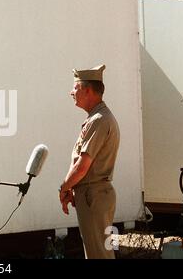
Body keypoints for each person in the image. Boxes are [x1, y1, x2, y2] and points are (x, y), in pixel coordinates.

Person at [59, 64, 120, 259]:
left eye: (75, 88)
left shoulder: (99, 120)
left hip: (93, 195)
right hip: (92, 194)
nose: (71, 92)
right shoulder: (97, 118)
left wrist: (64, 187)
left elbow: (82, 165)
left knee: (99, 254)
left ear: (87, 90)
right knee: (98, 252)